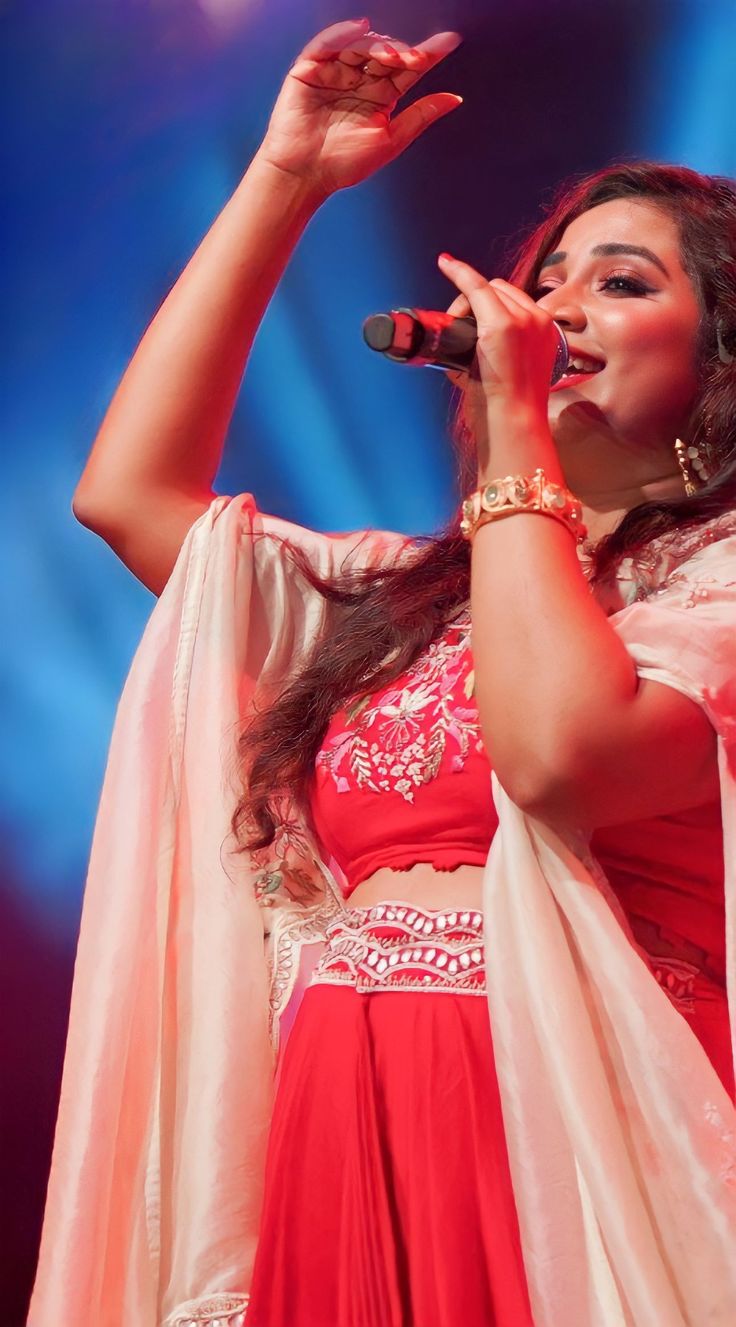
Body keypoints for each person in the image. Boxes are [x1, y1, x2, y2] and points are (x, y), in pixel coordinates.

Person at [29, 16, 736, 1327]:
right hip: (341, 1128)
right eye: (551, 275)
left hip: (572, 1146)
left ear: (721, 364)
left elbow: (555, 753)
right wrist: (287, 177)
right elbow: (129, 499)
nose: (559, 306)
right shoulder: (401, 597)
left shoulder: (716, 586)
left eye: (625, 283)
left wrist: (519, 433)